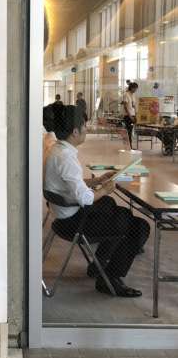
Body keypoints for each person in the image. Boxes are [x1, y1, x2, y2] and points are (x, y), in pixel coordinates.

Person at [44, 105, 149, 298]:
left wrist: (95, 181)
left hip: (64, 214)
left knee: (112, 206)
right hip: (73, 222)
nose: (86, 129)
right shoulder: (66, 158)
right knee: (139, 226)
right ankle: (109, 279)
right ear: (75, 132)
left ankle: (98, 264)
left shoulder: (58, 150)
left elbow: (69, 184)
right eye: (84, 126)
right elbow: (86, 199)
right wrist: (105, 188)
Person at [122, 82, 138, 148]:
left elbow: (133, 105)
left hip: (133, 115)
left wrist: (135, 114)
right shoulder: (126, 94)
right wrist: (130, 116)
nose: (136, 90)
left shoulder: (133, 95)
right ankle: (129, 147)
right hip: (128, 116)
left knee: (131, 131)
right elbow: (125, 107)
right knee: (128, 132)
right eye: (135, 88)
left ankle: (130, 146)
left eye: (136, 89)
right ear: (131, 88)